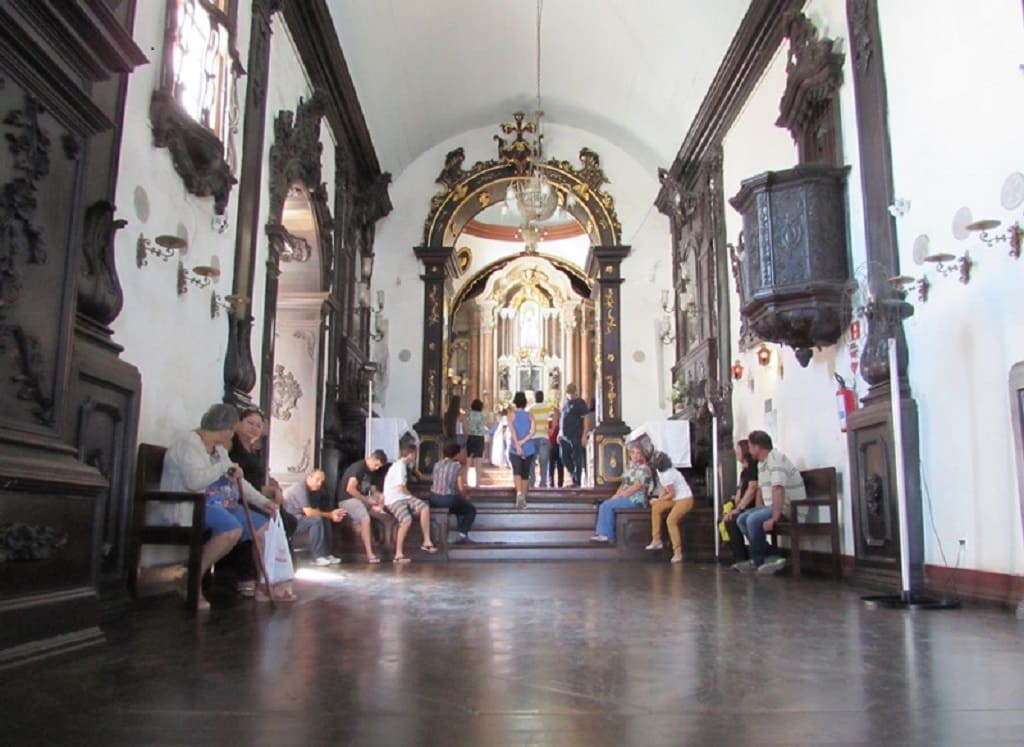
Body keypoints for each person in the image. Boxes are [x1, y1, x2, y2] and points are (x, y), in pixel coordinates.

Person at [160, 403, 285, 608]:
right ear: (225, 428)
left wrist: (264, 503)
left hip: (220, 504)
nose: (232, 435)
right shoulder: (189, 443)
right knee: (231, 530)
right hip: (192, 504)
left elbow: (238, 483)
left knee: (263, 527)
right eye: (232, 429)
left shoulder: (218, 449)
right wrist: (222, 468)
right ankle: (190, 581)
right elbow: (194, 482)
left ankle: (264, 585)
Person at [226, 406, 294, 596]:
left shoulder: (254, 451)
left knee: (286, 519)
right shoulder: (231, 447)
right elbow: (238, 482)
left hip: (253, 496)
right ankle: (248, 574)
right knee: (265, 520)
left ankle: (275, 573)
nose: (254, 428)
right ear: (238, 423)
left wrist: (273, 491)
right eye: (250, 423)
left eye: (258, 425)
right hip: (237, 497)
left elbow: (255, 485)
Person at [735, 430, 806, 575]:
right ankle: (772, 556)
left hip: (789, 508)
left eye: (749, 446)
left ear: (757, 447)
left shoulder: (775, 459)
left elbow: (778, 489)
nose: (748, 450)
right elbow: (761, 491)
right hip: (773, 506)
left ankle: (759, 560)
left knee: (753, 520)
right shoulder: (762, 464)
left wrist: (774, 517)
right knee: (742, 519)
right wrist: (758, 510)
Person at [382, 443, 438, 563]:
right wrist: (412, 496)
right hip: (394, 499)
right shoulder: (399, 466)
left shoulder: (402, 466)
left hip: (401, 497)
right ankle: (398, 554)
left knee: (424, 508)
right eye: (415, 454)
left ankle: (427, 541)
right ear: (411, 454)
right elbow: (401, 488)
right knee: (406, 520)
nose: (416, 457)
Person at [590, 444, 653, 543]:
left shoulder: (645, 469)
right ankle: (605, 532)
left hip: (636, 499)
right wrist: (616, 495)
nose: (635, 455)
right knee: (605, 503)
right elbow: (623, 484)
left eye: (638, 453)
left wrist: (621, 495)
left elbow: (636, 487)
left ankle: (606, 535)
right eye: (633, 452)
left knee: (606, 506)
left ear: (642, 455)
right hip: (625, 496)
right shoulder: (630, 467)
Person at [283, 469, 345, 566]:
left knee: (324, 519)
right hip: (289, 521)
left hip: (298, 518)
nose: (320, 483)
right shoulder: (300, 488)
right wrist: (330, 514)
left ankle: (326, 554)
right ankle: (318, 556)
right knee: (316, 520)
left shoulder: (314, 490)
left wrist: (332, 515)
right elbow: (309, 513)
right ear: (309, 478)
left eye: (321, 481)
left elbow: (316, 510)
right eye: (317, 480)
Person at [337, 450, 389, 563]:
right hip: (348, 499)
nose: (376, 468)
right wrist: (366, 499)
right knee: (365, 519)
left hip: (361, 499)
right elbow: (350, 489)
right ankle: (370, 554)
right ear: (372, 459)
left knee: (379, 508)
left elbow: (373, 490)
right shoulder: (359, 468)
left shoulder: (371, 472)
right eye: (376, 465)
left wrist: (378, 497)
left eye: (379, 467)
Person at [644, 452, 694, 563]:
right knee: (656, 508)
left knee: (671, 520)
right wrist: (659, 500)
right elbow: (664, 487)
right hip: (674, 499)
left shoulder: (669, 473)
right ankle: (656, 540)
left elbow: (671, 493)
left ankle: (677, 553)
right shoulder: (660, 471)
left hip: (684, 499)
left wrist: (658, 500)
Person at [721, 440, 761, 564]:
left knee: (732, 521)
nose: (736, 453)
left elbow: (752, 489)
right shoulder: (744, 472)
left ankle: (742, 558)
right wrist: (734, 505)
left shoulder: (753, 468)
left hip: (753, 507)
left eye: (738, 450)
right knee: (724, 519)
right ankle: (739, 556)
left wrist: (738, 509)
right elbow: (740, 492)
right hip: (744, 507)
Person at [429, 441, 477, 543]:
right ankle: (462, 534)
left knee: (459, 507)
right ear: (456, 454)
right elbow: (460, 488)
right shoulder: (457, 467)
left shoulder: (437, 465)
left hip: (433, 498)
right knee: (470, 510)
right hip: (448, 499)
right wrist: (466, 497)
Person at [507, 391, 536, 509]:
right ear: (525, 403)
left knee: (516, 471)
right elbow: (532, 432)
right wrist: (523, 442)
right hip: (529, 448)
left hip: (514, 448)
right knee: (525, 474)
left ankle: (519, 494)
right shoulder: (530, 415)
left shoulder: (511, 415)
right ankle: (523, 498)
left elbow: (512, 431)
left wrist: (517, 444)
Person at [559, 383, 589, 487]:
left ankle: (577, 481)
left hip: (576, 434)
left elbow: (585, 419)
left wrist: (584, 434)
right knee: (564, 457)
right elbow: (562, 418)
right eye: (568, 394)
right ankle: (573, 474)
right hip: (564, 436)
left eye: (572, 393)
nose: (570, 395)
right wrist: (559, 432)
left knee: (577, 459)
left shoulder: (580, 403)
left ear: (575, 392)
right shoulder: (564, 402)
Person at [527, 390, 556, 488]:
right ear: (543, 397)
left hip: (532, 437)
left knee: (531, 460)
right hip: (544, 436)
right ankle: (543, 482)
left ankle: (531, 481)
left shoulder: (530, 409)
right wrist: (552, 428)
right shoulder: (547, 407)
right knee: (544, 461)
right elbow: (555, 414)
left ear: (535, 398)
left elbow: (527, 423)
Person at [465, 398, 487, 484]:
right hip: (479, 438)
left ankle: (466, 480)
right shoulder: (483, 415)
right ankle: (477, 482)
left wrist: (467, 433)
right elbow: (485, 424)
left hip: (471, 437)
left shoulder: (469, 414)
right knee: (478, 460)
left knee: (468, 459)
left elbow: (465, 425)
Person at [547, 412, 564, 488]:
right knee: (554, 466)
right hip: (554, 446)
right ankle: (555, 483)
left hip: (555, 446)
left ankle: (556, 483)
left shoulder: (558, 425)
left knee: (555, 466)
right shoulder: (560, 424)